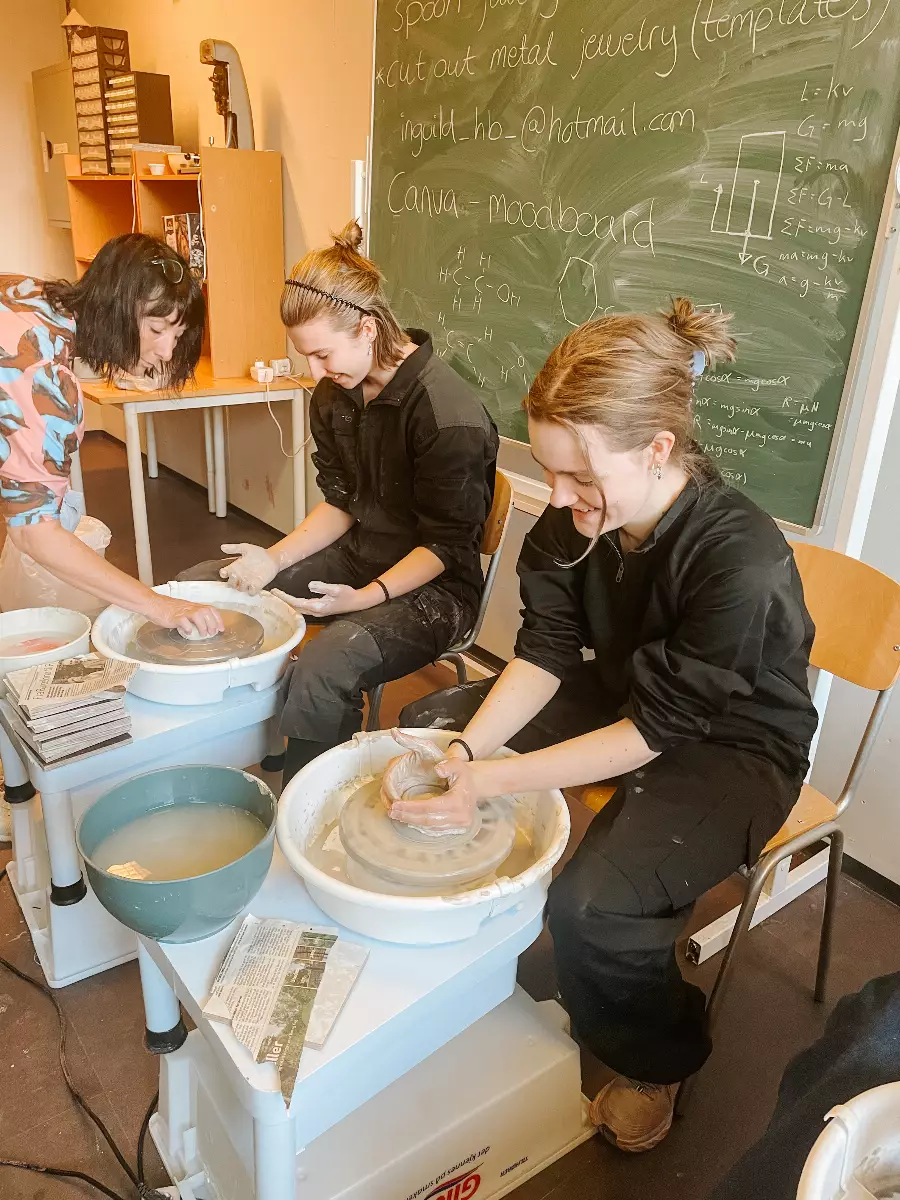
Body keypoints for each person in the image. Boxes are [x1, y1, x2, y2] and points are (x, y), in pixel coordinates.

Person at [391, 299, 818, 1153]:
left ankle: (656, 1057)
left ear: (657, 449)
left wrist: (493, 776)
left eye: (580, 477)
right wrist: (466, 752)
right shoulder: (572, 523)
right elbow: (546, 653)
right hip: (630, 693)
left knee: (593, 907)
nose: (560, 498)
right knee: (431, 726)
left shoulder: (741, 558)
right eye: (549, 471)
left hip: (735, 740)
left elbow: (660, 727)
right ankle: (474, 945)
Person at [180, 222, 498, 784]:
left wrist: (365, 598)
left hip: (436, 587)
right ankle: (213, 754)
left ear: (367, 328)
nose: (315, 373)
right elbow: (343, 502)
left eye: (322, 354)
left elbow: (447, 547)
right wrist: (272, 560)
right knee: (206, 585)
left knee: (329, 662)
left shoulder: (448, 416)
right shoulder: (337, 391)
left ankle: (305, 805)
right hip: (359, 554)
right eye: (307, 357)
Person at [0, 233, 224, 640]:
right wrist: (160, 605)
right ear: (114, 306)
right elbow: (34, 532)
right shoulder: (45, 380)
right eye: (156, 329)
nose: (167, 352)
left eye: (177, 335)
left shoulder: (26, 293)